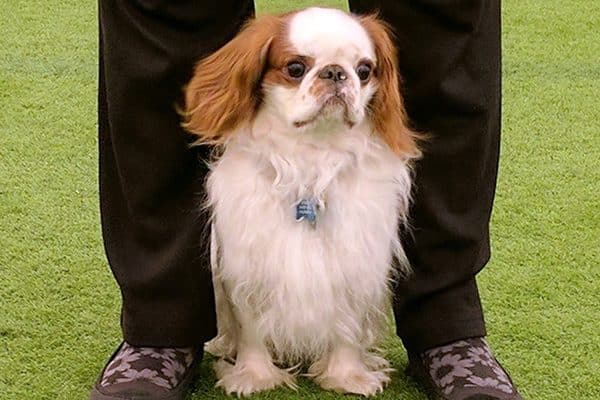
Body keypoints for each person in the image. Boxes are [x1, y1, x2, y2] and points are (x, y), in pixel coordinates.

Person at [92, 1, 521, 399]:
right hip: (255, 153)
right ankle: (162, 326)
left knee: (439, 11)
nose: (336, 80)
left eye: (362, 71)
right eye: (298, 68)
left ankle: (445, 327)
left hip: (363, 161)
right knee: (168, 6)